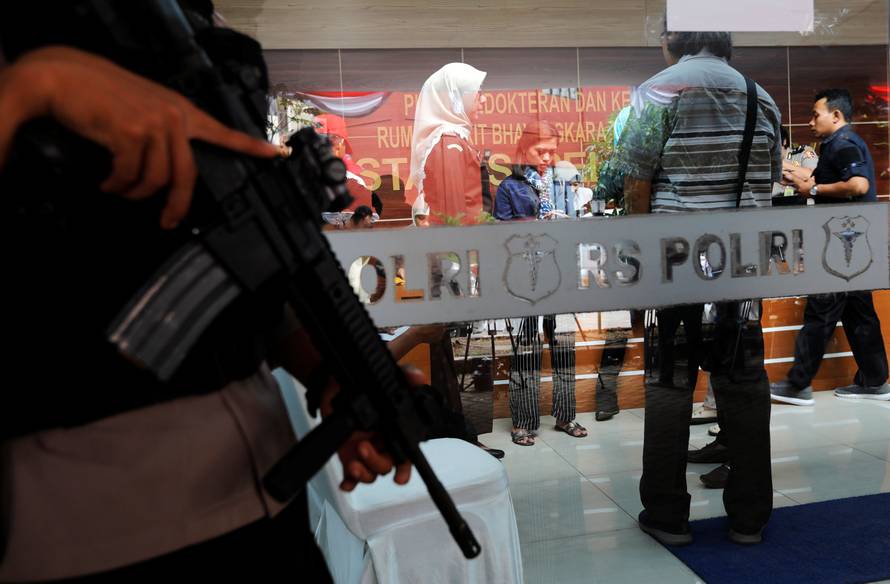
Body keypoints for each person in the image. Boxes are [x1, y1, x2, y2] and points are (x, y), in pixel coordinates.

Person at [0, 9, 411, 580]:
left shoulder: (187, 23)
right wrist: (38, 87)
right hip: (86, 525)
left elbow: (241, 267)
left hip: (268, 505)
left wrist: (340, 376)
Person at [613, 26, 782, 545]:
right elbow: (770, 180)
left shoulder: (660, 90)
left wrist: (637, 266)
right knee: (745, 389)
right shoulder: (763, 98)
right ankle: (749, 518)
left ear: (673, 43)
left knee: (670, 386)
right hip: (739, 270)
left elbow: (636, 182)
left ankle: (668, 516)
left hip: (678, 266)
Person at [771, 89, 889, 405]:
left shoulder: (843, 143)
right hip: (857, 244)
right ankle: (874, 381)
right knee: (859, 315)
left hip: (842, 246)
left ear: (835, 115)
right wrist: (799, 176)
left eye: (815, 114)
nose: (811, 122)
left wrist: (816, 187)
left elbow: (858, 185)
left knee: (820, 313)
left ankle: (797, 385)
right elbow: (823, 179)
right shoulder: (839, 144)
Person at [494, 122, 587, 445]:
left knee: (563, 348)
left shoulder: (562, 184)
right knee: (526, 351)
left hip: (559, 274)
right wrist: (536, 224)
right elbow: (500, 235)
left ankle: (565, 415)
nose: (547, 156)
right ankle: (523, 421)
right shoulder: (510, 186)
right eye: (540, 150)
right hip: (524, 278)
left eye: (551, 150)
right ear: (525, 149)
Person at [407, 63, 488, 225]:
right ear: (456, 97)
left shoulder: (452, 140)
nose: (484, 99)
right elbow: (452, 215)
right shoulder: (449, 143)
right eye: (478, 92)